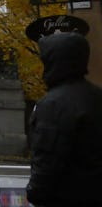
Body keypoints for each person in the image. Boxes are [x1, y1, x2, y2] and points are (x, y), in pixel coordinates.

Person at [26, 31, 102, 205]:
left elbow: (47, 160)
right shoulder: (97, 95)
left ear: (54, 61)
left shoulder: (53, 103)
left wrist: (34, 192)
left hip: (65, 196)